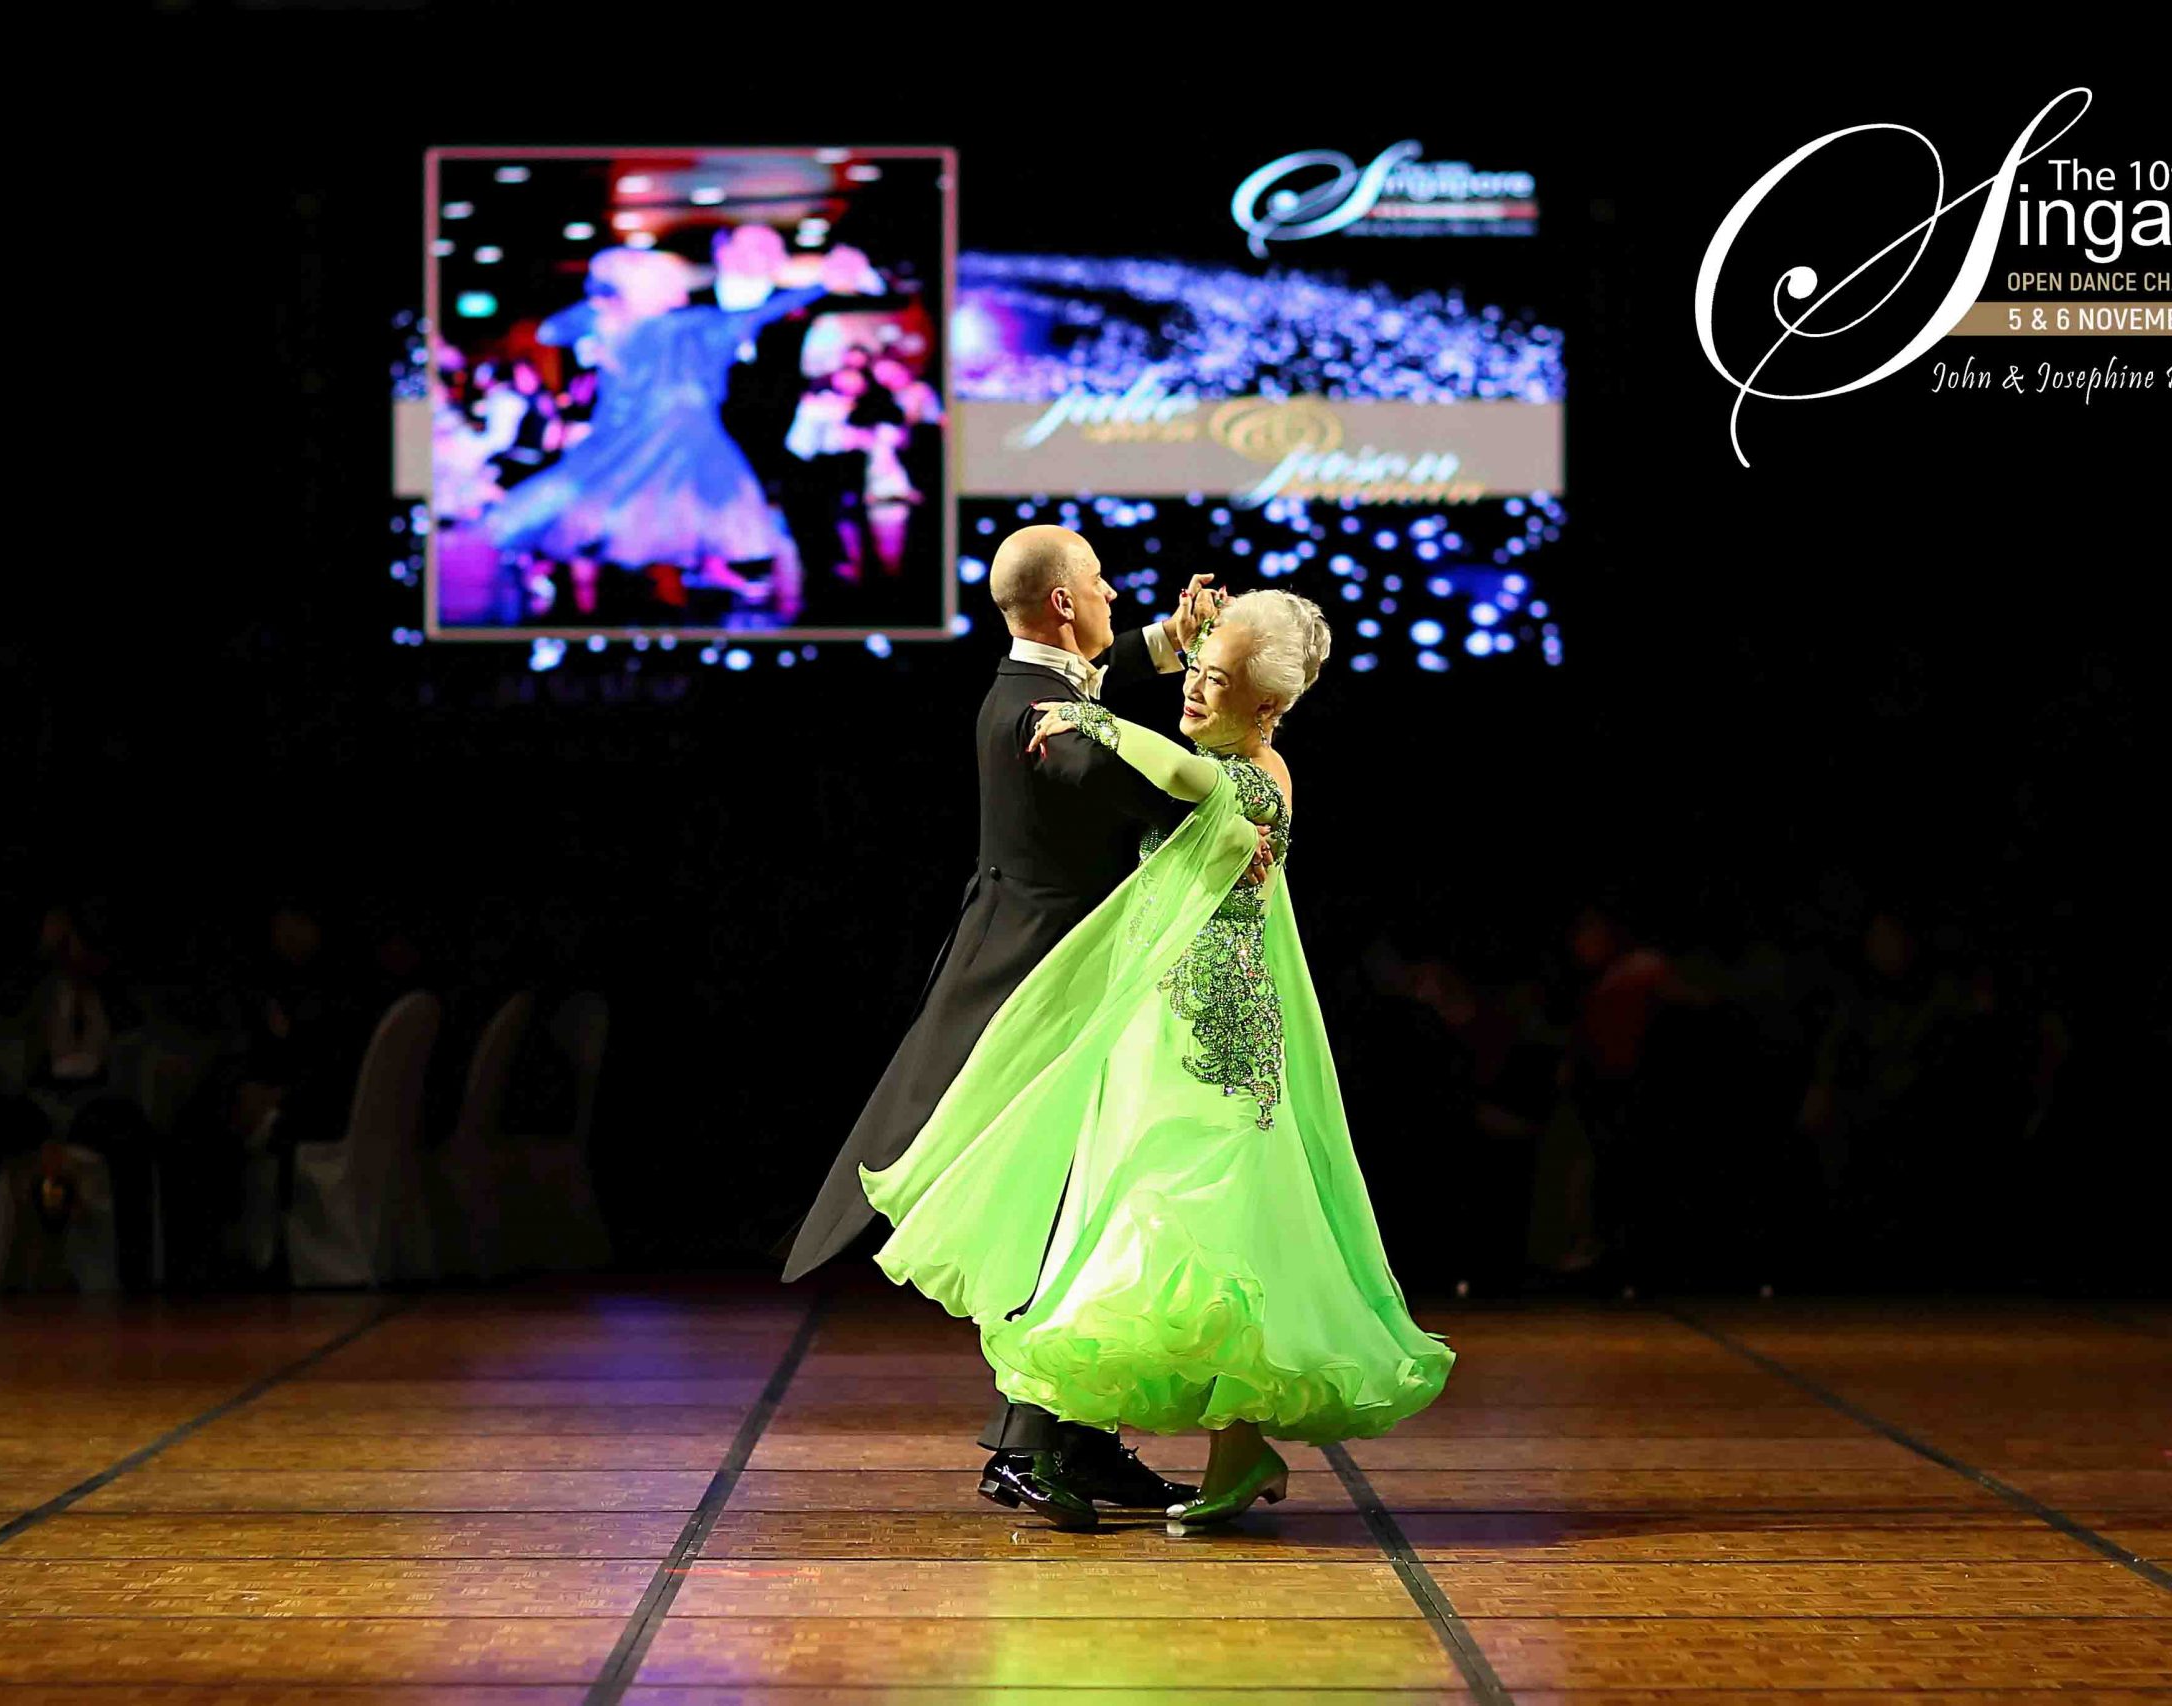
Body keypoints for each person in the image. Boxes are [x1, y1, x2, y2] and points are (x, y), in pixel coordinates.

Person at [861, 590, 1453, 1529]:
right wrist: (1159, 652)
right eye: (1197, 671)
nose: (1194, 689)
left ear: (1267, 707)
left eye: (1216, 681)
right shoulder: (1224, 766)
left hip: (1213, 1044)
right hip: (1158, 1033)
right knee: (1171, 1229)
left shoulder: (1249, 780)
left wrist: (1096, 720)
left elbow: (1180, 772)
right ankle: (1212, 1449)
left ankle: (1078, 1441)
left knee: (1196, 1228)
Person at [781, 525, 1255, 1528]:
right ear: (1064, 605)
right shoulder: (1045, 724)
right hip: (1039, 998)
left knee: (1089, 1208)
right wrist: (1236, 804)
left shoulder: (1038, 689)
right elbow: (1135, 786)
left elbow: (1096, 691)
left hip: (1068, 986)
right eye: (1100, 582)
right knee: (1059, 1216)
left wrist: (1171, 642)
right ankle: (1025, 1448)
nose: (1114, 592)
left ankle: (1077, 1438)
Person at [484, 239, 883, 624]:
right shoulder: (658, 323)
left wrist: (601, 305)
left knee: (651, 515)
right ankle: (650, 597)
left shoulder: (656, 323)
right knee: (637, 515)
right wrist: (821, 283)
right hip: (650, 435)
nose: (677, 289)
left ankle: (664, 594)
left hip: (670, 435)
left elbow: (554, 331)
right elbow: (552, 332)